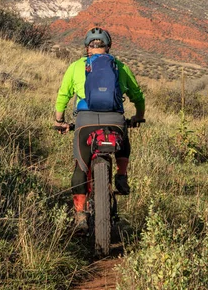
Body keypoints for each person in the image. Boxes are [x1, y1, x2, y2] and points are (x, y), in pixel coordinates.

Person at [54, 27, 145, 231]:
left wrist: (60, 120)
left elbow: (63, 96)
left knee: (81, 166)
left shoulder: (76, 67)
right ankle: (121, 176)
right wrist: (138, 117)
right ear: (108, 47)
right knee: (123, 140)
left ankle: (79, 214)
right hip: (114, 120)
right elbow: (138, 95)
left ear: (87, 48)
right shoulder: (120, 67)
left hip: (85, 122)